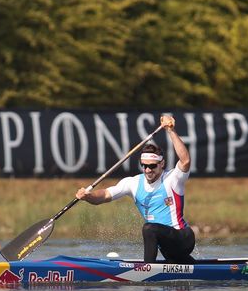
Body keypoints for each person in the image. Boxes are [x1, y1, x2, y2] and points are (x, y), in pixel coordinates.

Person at [75, 113, 196, 263]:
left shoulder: (172, 179)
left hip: (183, 238)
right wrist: (88, 196)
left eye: (152, 166)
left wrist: (170, 131)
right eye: (144, 165)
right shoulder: (132, 183)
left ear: (162, 164)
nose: (147, 170)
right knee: (158, 237)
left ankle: (146, 271)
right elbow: (105, 195)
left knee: (149, 228)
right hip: (166, 247)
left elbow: (185, 161)